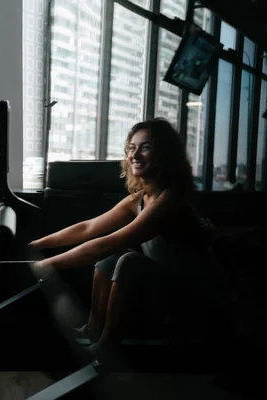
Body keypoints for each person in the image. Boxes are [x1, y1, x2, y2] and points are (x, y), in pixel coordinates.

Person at [29, 118, 228, 357]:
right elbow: (88, 227)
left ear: (164, 155)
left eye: (146, 147)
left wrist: (46, 265)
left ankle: (106, 349)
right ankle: (92, 331)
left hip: (197, 299)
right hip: (169, 287)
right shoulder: (140, 198)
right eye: (132, 148)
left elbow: (108, 242)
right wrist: (36, 245)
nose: (135, 154)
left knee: (128, 261)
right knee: (111, 259)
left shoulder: (170, 200)